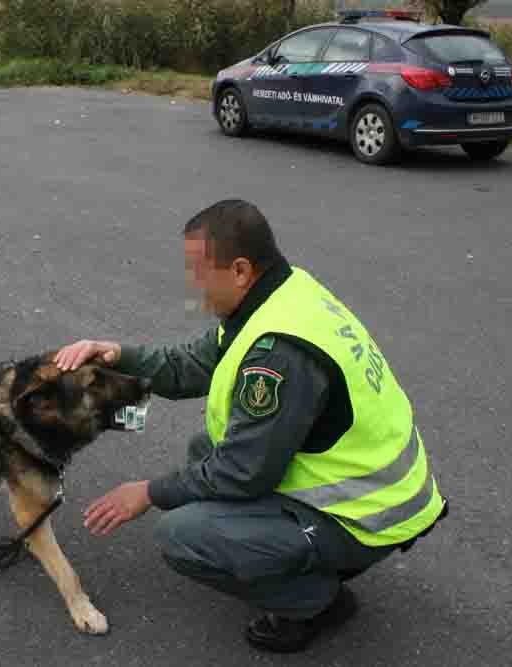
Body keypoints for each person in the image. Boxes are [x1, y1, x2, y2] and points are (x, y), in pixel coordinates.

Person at [54, 198, 446, 653]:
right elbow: (189, 366)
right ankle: (295, 555)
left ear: (240, 270)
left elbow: (242, 472)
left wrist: (146, 493)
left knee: (181, 535)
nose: (192, 285)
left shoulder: (280, 351)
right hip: (373, 485)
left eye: (198, 271)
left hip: (371, 514)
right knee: (205, 449)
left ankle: (317, 600)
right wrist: (117, 354)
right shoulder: (282, 295)